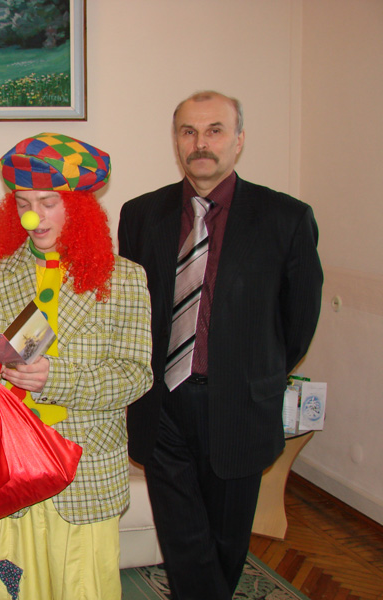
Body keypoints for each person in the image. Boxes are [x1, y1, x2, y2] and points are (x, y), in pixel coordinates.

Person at [117, 91, 323, 599]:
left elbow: (298, 321)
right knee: (181, 534)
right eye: (188, 131)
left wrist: (254, 372)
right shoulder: (140, 214)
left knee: (226, 540)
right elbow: (132, 309)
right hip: (161, 404)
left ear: (239, 140)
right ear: (176, 140)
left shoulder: (286, 218)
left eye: (215, 130)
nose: (200, 143)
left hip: (239, 405)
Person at [0, 133, 153, 599]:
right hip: (12, 471)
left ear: (80, 209)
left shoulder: (125, 278)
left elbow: (136, 375)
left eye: (49, 203)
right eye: (23, 203)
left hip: (85, 472)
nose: (34, 217)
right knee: (12, 588)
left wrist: (56, 377)